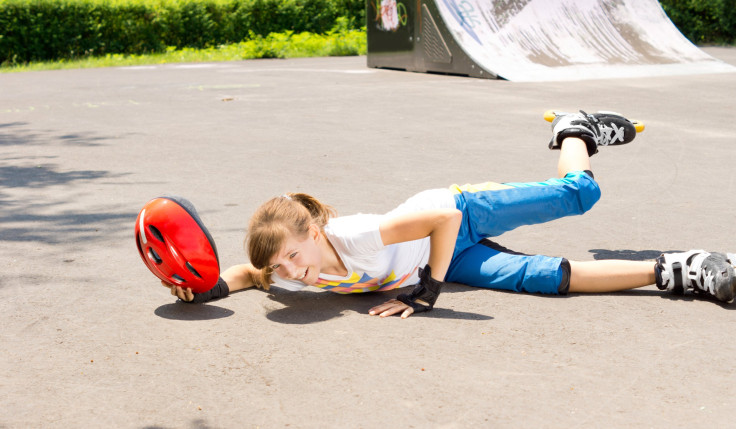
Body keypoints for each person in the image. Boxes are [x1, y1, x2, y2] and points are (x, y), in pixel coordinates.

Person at [163, 110, 736, 317]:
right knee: (548, 279)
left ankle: (575, 132)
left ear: (314, 231)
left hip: (462, 212)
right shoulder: (297, 269)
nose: (291, 272)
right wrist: (207, 288)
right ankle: (681, 268)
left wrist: (428, 291)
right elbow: (249, 275)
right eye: (284, 268)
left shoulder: (358, 235)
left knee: (579, 197)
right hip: (443, 260)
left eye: (293, 255)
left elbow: (443, 219)